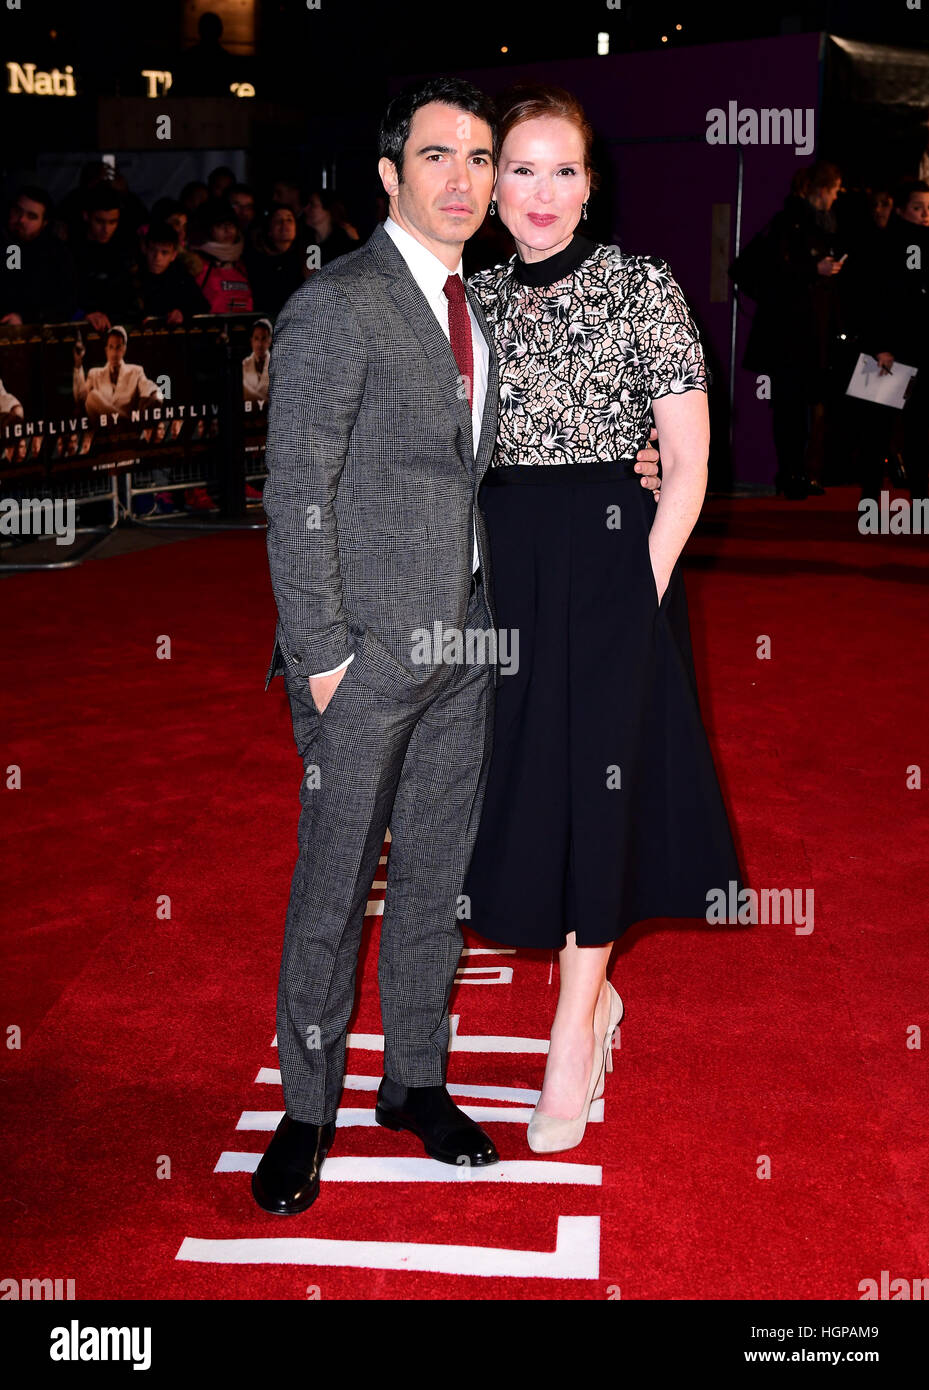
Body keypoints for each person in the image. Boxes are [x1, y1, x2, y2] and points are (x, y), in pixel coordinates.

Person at [254, 75, 665, 1215]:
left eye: (481, 158)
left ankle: (415, 1082)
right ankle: (304, 1107)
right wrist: (324, 653)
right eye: (437, 155)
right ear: (389, 175)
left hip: (467, 645)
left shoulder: (482, 304)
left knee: (434, 882)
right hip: (361, 656)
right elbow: (295, 497)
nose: (464, 178)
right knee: (334, 887)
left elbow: (521, 452)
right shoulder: (337, 306)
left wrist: (634, 463)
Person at [461, 84, 743, 1154]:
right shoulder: (465, 300)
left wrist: (644, 581)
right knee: (521, 790)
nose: (540, 191)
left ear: (590, 184)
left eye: (562, 169)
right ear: (490, 188)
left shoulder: (640, 286)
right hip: (500, 575)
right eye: (519, 169)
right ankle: (589, 1001)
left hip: (614, 568)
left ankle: (573, 1025)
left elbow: (687, 460)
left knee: (597, 789)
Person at [729, 161, 847, 498]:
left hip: (811, 332)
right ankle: (791, 474)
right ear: (820, 189)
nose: (836, 198)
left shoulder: (818, 224)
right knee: (791, 407)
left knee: (805, 406)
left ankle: (801, 472)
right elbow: (752, 270)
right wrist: (812, 269)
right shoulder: (789, 223)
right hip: (790, 335)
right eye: (835, 190)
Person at [861, 178, 929, 501]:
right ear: (901, 210)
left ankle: (919, 496)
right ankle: (871, 497)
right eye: (918, 207)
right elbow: (873, 299)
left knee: (919, 429)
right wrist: (879, 346)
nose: (925, 214)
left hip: (921, 348)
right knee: (878, 429)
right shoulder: (884, 244)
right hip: (888, 351)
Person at [0, 186, 76, 324]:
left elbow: (65, 303)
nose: (22, 220)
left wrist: (25, 318)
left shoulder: (56, 254)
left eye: (32, 216)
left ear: (44, 223)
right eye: (18, 211)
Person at [72, 185, 142, 332]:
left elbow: (131, 299)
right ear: (86, 216)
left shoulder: (124, 252)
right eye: (100, 221)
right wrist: (81, 314)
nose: (106, 229)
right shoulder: (70, 250)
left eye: (112, 222)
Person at [72, 325, 162, 418]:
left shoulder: (136, 371)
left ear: (124, 349)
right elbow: (80, 400)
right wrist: (78, 364)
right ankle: (126, 421)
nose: (114, 353)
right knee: (92, 397)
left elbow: (149, 387)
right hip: (106, 429)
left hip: (128, 431)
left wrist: (156, 395)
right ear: (106, 350)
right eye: (111, 347)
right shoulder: (94, 374)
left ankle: (125, 423)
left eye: (118, 347)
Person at [188, 199, 253, 312]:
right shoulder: (195, 263)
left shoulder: (244, 263)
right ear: (208, 230)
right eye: (220, 225)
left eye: (231, 225)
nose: (228, 230)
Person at [138, 222, 209, 323]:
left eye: (164, 252)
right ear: (145, 249)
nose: (157, 258)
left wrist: (183, 312)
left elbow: (202, 305)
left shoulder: (181, 277)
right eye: (153, 250)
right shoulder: (133, 275)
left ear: (174, 255)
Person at [244, 204, 307, 315]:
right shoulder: (256, 260)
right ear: (269, 230)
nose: (285, 224)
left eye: (289, 219)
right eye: (278, 221)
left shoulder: (305, 257)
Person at [304, 190, 359, 265]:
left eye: (313, 205)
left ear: (328, 211)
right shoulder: (305, 240)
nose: (306, 209)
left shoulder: (342, 242)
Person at [242, 317, 272, 402]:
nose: (259, 344)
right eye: (256, 338)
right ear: (251, 341)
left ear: (269, 340)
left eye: (263, 339)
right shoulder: (244, 365)